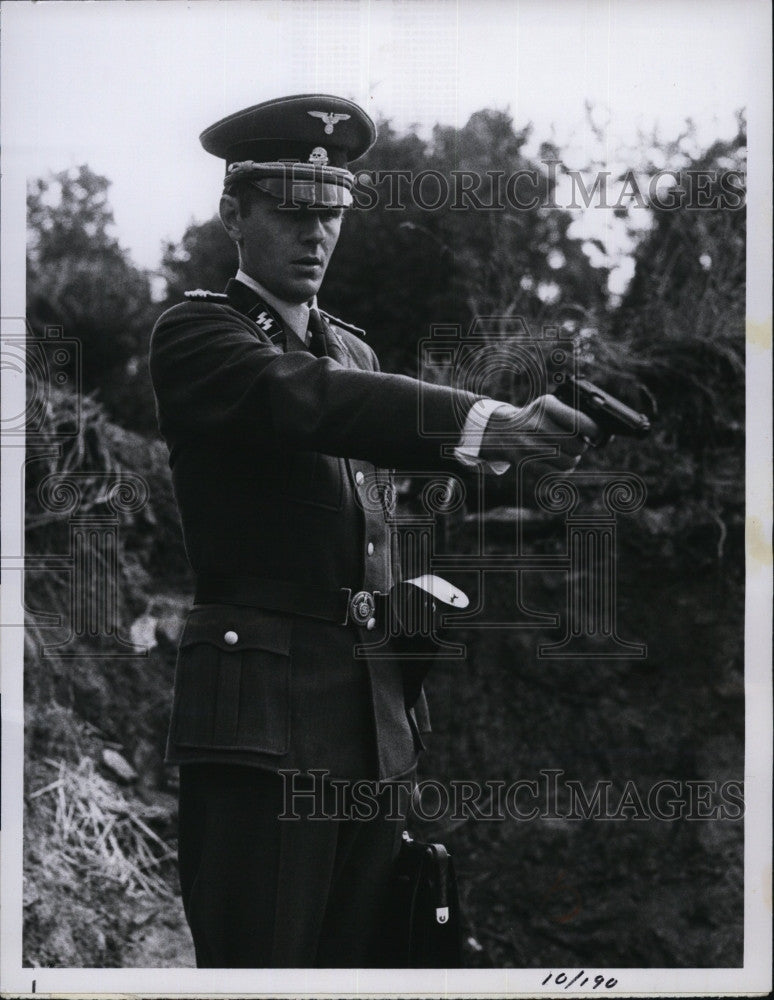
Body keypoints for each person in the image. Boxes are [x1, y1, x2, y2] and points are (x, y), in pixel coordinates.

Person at [149, 93, 600, 968]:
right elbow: (308, 403)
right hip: (260, 726)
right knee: (261, 970)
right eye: (290, 209)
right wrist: (487, 423)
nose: (315, 233)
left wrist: (476, 471)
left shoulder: (353, 350)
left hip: (370, 722)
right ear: (234, 214)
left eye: (331, 212)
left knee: (360, 968)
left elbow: (364, 468)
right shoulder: (199, 333)